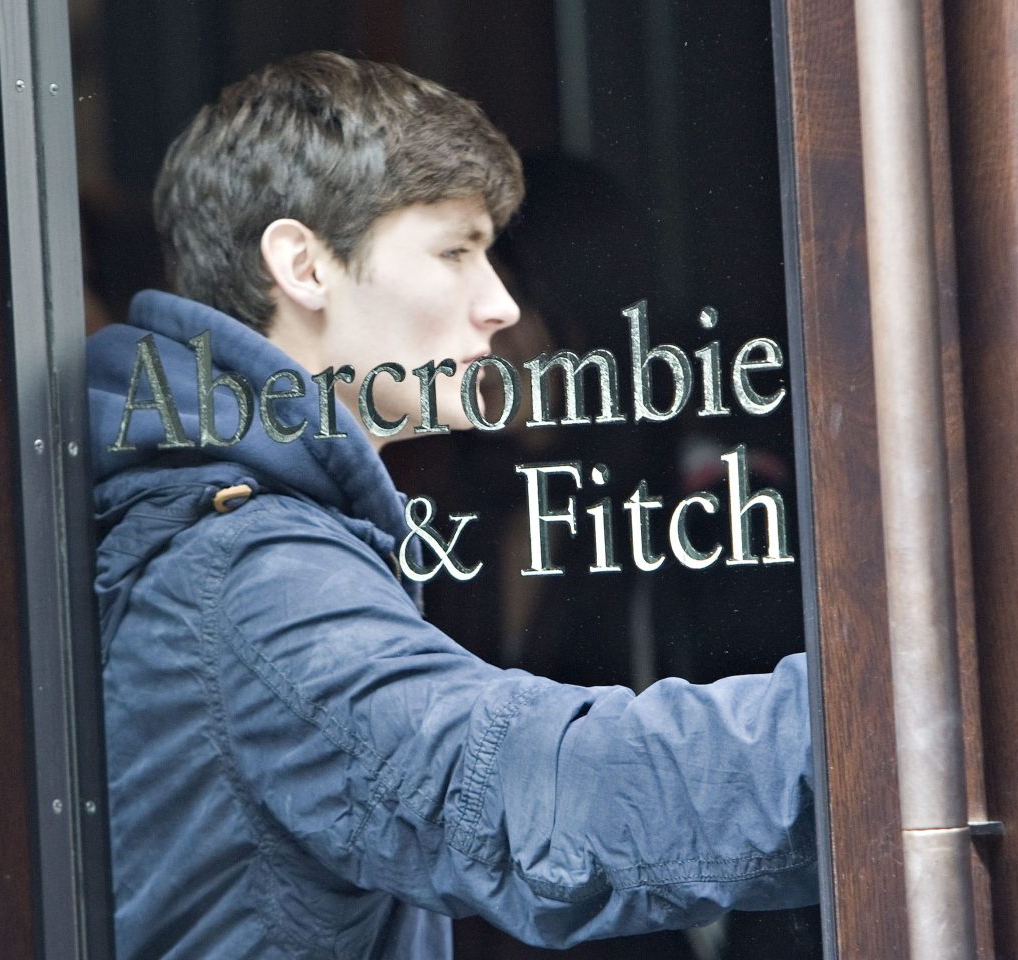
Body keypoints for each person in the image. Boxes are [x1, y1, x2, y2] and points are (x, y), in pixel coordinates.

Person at [87, 51, 816, 959]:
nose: (501, 305)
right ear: (304, 265)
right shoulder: (253, 570)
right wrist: (884, 725)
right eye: (455, 252)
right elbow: (529, 800)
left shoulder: (243, 520)